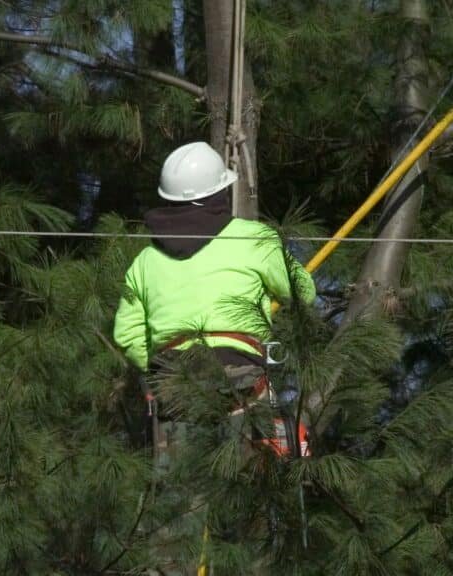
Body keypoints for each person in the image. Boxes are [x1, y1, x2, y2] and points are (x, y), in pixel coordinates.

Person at [113, 141, 316, 574]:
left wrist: (167, 370)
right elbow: (303, 293)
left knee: (175, 517)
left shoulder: (145, 261)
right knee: (248, 513)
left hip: (177, 387)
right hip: (243, 383)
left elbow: (126, 333)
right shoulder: (252, 238)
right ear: (220, 195)